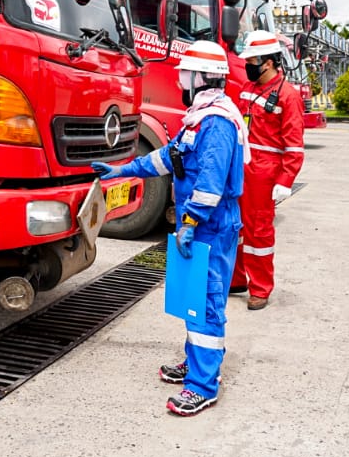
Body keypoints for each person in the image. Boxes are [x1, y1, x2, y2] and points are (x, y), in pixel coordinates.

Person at [93, 39, 246, 417]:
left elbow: (210, 185)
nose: (181, 79)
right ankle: (198, 363)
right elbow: (167, 158)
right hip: (201, 225)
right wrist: (123, 170)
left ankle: (202, 385)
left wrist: (190, 221)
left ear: (201, 77)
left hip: (211, 226)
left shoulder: (217, 123)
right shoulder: (200, 118)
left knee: (207, 303)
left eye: (186, 73)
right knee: (194, 299)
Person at [230, 30, 305, 310]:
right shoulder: (247, 89)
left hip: (265, 173)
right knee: (234, 228)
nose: (248, 65)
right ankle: (237, 279)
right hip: (242, 167)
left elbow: (295, 146)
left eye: (254, 60)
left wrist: (286, 180)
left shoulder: (288, 95)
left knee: (259, 232)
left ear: (270, 62)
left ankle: (260, 287)